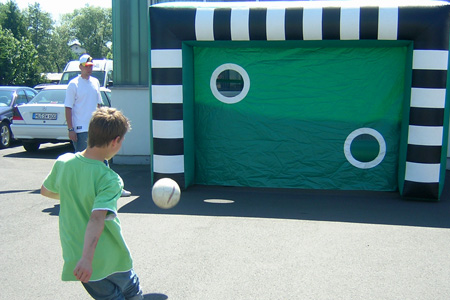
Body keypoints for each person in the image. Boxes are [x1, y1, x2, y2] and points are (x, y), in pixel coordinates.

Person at [40, 107, 144, 300]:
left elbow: (46, 191)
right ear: (116, 141)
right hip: (111, 257)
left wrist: (74, 195)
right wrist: (89, 258)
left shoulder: (64, 162)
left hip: (77, 257)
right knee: (131, 291)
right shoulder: (110, 179)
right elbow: (97, 218)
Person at [65, 53, 131, 197]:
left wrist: (105, 125)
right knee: (85, 162)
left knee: (104, 158)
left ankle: (114, 188)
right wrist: (71, 129)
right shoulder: (73, 84)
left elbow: (99, 106)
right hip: (81, 129)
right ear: (80, 67)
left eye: (91, 66)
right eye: (87, 67)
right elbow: (68, 107)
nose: (89, 69)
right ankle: (83, 192)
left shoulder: (95, 82)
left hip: (96, 129)